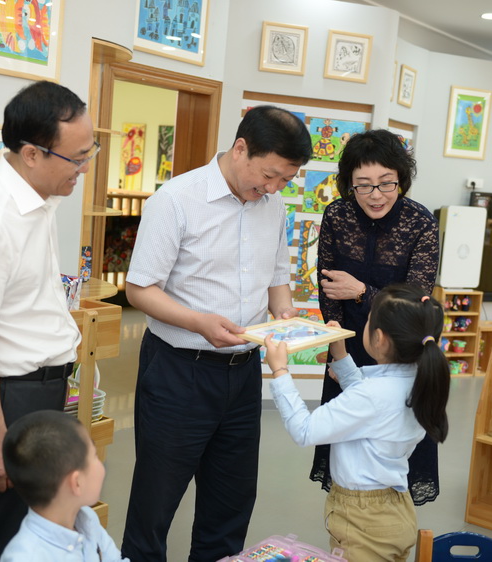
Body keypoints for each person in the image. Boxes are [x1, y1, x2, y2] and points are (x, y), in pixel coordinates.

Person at [121, 105, 313, 562]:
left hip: (242, 374)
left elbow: (277, 276)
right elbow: (138, 289)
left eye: (285, 180)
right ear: (240, 148)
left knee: (229, 507)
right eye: (268, 175)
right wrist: (198, 322)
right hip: (178, 371)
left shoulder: (273, 205)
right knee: (154, 506)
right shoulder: (176, 199)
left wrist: (285, 313)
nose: (273, 188)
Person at [0, 81, 99, 561]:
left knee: (30, 532)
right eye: (77, 157)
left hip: (39, 392)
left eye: (90, 151)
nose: (85, 167)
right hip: (5, 399)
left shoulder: (39, 199)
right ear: (32, 153)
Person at [265, 284, 450, 562]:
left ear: (379, 338)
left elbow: (304, 430)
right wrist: (340, 355)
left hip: (363, 520)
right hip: (396, 509)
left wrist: (280, 371)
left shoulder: (372, 395)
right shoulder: (419, 380)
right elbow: (368, 401)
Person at [310, 128, 441, 506]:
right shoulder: (337, 215)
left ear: (401, 179)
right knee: (347, 457)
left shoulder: (420, 223)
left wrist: (360, 292)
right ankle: (348, 524)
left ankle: (389, 526)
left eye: (386, 183)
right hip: (350, 351)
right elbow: (328, 288)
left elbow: (414, 306)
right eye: (363, 185)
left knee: (394, 459)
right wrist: (336, 349)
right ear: (349, 183)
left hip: (400, 354)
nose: (376, 195)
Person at [0, 410, 127, 561]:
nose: (102, 465)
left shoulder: (87, 519)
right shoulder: (26, 557)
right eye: (95, 456)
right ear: (77, 482)